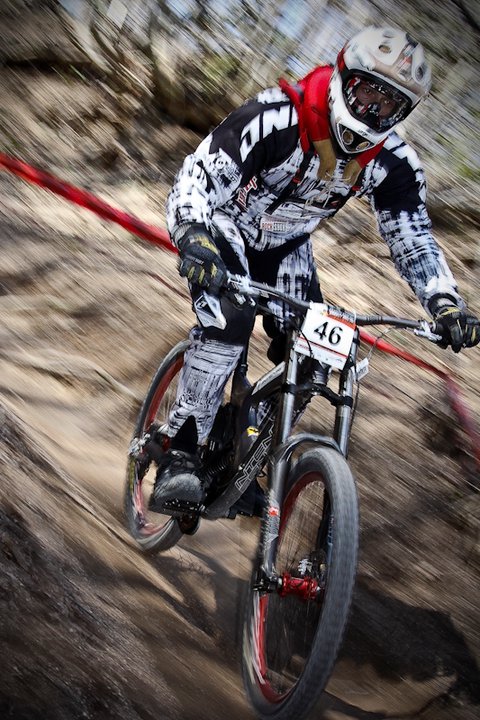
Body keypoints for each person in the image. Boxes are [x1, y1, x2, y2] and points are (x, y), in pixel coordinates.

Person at [150, 26, 479, 511]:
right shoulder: (275, 117)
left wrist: (444, 301)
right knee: (229, 322)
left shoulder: (393, 164)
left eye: (390, 105)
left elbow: (413, 238)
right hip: (224, 227)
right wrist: (194, 235)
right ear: (344, 78)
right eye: (367, 93)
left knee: (320, 353)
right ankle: (179, 455)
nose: (373, 111)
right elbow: (198, 176)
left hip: (287, 249)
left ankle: (243, 451)